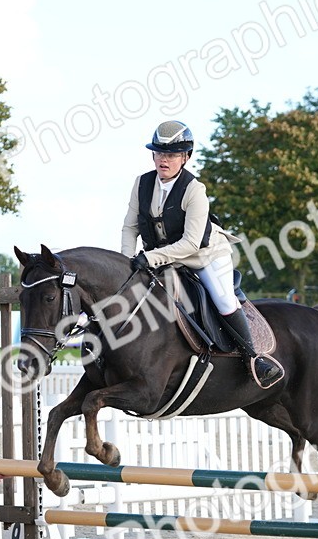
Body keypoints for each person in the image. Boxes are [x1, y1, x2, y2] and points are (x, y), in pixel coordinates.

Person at [121, 121, 283, 388]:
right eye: (160, 153)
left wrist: (149, 258)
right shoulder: (142, 184)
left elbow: (190, 244)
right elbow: (130, 227)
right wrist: (127, 262)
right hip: (163, 257)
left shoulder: (195, 190)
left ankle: (253, 358)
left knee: (223, 299)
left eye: (172, 155)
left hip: (204, 255)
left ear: (185, 157)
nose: (164, 159)